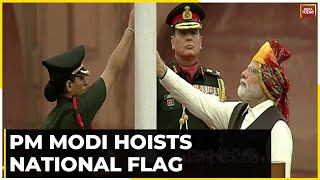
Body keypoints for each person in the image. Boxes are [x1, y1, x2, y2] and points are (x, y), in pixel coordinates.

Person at [156, 40, 293, 177]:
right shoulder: (237, 113)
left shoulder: (278, 129)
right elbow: (197, 100)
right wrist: (163, 71)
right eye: (247, 68)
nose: (243, 73)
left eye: (252, 71)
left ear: (266, 84)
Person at [41, 9, 134, 129]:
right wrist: (131, 29)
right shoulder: (77, 111)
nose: (85, 82)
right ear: (69, 85)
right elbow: (112, 70)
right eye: (80, 78)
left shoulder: (49, 121)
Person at [157, 3, 226, 131]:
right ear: (172, 42)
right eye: (183, 33)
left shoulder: (214, 81)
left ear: (200, 41)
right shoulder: (159, 80)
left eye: (194, 33)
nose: (189, 38)